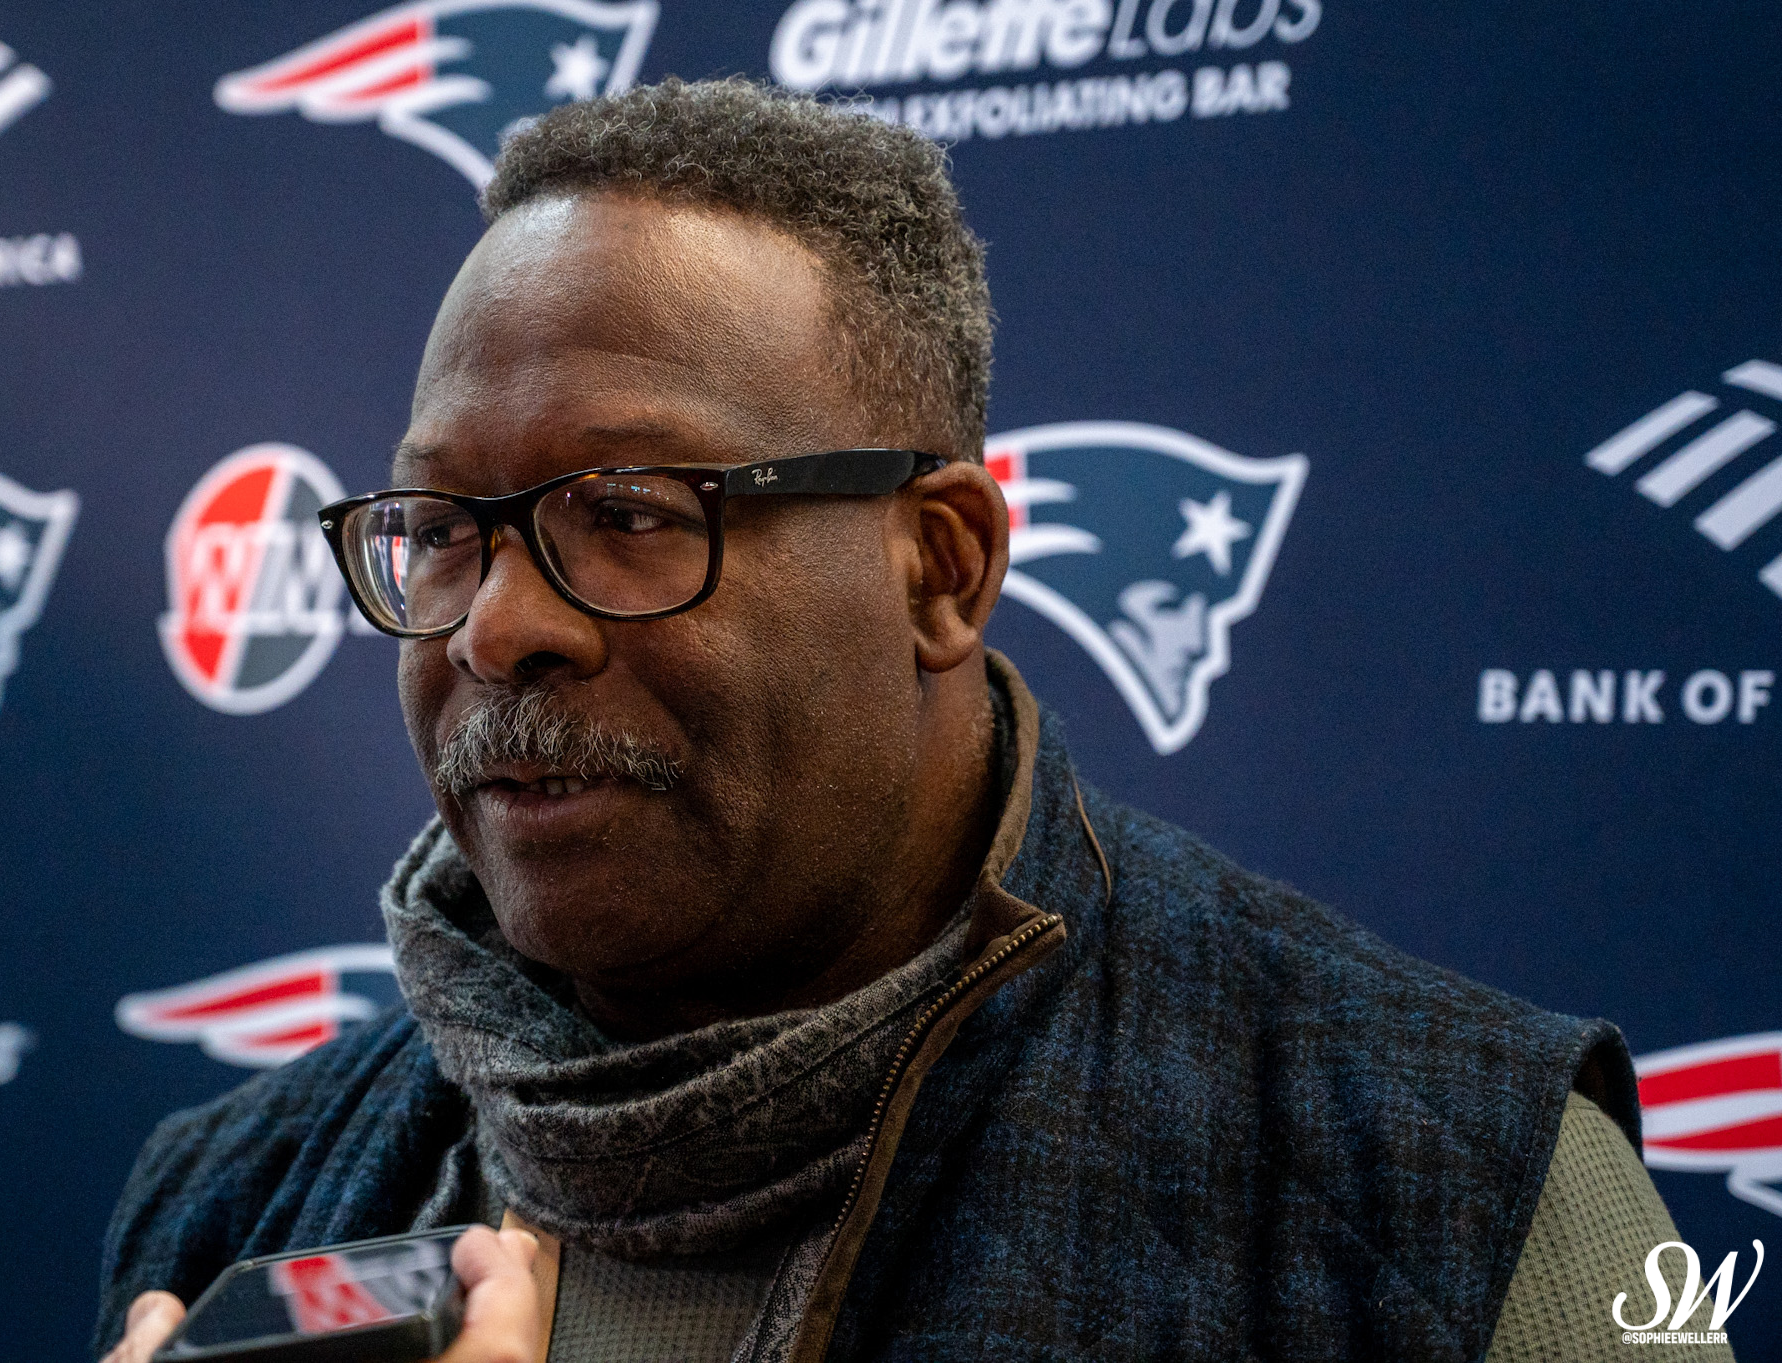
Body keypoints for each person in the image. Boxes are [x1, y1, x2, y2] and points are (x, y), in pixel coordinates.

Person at [97, 79, 1725, 1362]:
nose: (499, 623)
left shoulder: (1465, 1204)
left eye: (633, 510)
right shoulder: (234, 1199)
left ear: (940, 565)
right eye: (447, 527)